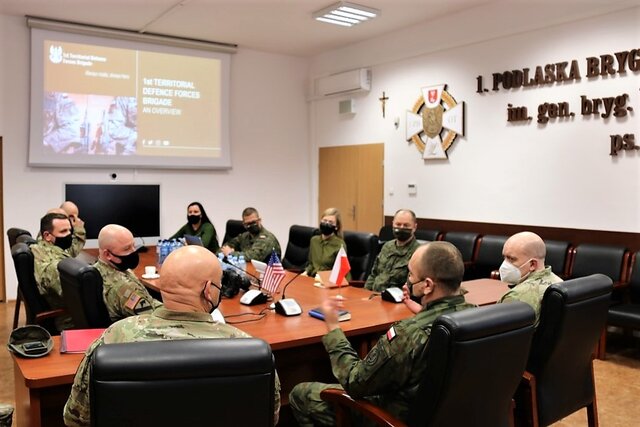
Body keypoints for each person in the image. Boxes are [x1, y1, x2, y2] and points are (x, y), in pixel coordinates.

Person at [63, 245, 281, 427]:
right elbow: (270, 416)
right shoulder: (247, 347)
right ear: (208, 290)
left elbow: (75, 418)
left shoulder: (113, 338)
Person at [289, 241, 475, 426]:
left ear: (427, 285)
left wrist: (333, 328)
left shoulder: (406, 334)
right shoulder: (476, 315)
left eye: (410, 274)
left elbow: (355, 382)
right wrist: (423, 312)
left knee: (301, 394)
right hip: (454, 415)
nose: (407, 280)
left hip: (393, 417)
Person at [94, 224, 161, 322]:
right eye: (126, 249)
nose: (133, 251)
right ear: (108, 254)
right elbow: (151, 320)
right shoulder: (125, 287)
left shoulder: (97, 268)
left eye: (133, 246)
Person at [498, 231, 563, 327]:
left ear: (532, 264)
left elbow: (498, 331)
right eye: (504, 257)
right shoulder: (560, 282)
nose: (505, 265)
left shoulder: (516, 296)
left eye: (511, 259)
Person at [31, 212, 75, 331]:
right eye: (63, 231)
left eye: (70, 230)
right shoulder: (53, 262)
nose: (69, 235)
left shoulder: (41, 247)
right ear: (47, 236)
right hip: (68, 320)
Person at [365, 209, 421, 292]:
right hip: (374, 296)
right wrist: (365, 292)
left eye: (406, 225)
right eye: (398, 224)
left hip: (395, 300)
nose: (401, 227)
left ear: (414, 227)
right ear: (393, 224)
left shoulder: (419, 252)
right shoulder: (387, 246)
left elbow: (412, 287)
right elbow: (374, 274)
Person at [304, 207, 347, 277]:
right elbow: (311, 264)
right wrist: (306, 272)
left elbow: (340, 271)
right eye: (324, 221)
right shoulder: (314, 240)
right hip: (313, 279)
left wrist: (323, 277)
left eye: (330, 222)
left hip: (329, 281)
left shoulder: (340, 244)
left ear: (336, 227)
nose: (326, 224)